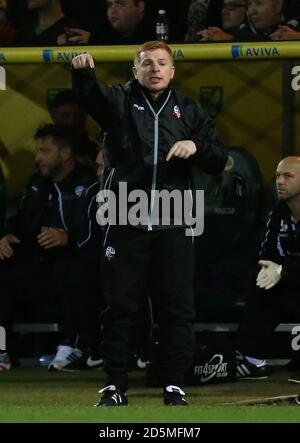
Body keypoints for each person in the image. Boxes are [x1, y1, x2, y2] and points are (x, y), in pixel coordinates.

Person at [71, 40, 227, 406]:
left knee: (177, 308)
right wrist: (82, 74)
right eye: (146, 64)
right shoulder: (119, 102)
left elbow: (218, 158)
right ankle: (114, 386)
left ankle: (173, 385)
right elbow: (90, 97)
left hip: (174, 223)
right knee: (121, 307)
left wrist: (197, 147)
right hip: (125, 219)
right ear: (134, 70)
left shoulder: (188, 110)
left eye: (161, 63)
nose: (154, 69)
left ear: (173, 71)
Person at [0, 124, 101, 371]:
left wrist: (68, 238)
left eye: (44, 151)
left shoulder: (89, 183)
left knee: (71, 266)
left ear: (65, 154)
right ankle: (2, 349)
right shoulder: (37, 183)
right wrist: (5, 235)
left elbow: (98, 231)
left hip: (78, 261)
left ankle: (72, 344)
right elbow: (22, 220)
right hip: (38, 263)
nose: (38, 158)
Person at [236, 156, 300, 384]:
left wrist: (282, 270)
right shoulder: (278, 212)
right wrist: (268, 266)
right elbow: (267, 250)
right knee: (259, 285)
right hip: (292, 283)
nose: (279, 182)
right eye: (278, 176)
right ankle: (253, 360)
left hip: (294, 278)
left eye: (288, 176)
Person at [58, 0, 155, 46]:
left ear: (140, 7)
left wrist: (94, 40)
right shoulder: (102, 30)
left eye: (121, 4)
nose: (113, 10)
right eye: (109, 5)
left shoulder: (154, 32)